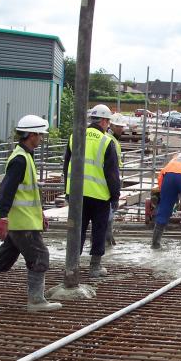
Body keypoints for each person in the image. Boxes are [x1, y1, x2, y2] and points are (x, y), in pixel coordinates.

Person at [0, 115, 61, 312]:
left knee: (4, 260)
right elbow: (6, 191)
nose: (41, 138)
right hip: (20, 222)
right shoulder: (20, 159)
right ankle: (36, 301)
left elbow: (27, 192)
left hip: (22, 220)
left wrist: (39, 213)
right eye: (40, 135)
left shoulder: (25, 156)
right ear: (31, 134)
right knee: (41, 256)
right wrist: (4, 218)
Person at [63, 103, 120, 277]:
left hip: (76, 194)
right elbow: (112, 173)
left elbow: (66, 166)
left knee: (76, 229)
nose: (108, 125)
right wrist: (115, 196)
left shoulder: (75, 137)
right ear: (103, 121)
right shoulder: (106, 141)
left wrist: (67, 191)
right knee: (99, 230)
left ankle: (73, 264)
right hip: (99, 195)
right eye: (108, 122)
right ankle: (95, 267)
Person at [105, 113, 128, 246]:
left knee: (107, 215)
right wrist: (115, 191)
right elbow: (113, 169)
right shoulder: (110, 141)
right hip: (107, 184)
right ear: (111, 125)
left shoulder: (112, 140)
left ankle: (107, 239)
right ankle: (106, 241)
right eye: (119, 126)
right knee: (107, 215)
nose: (121, 129)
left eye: (122, 127)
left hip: (107, 182)